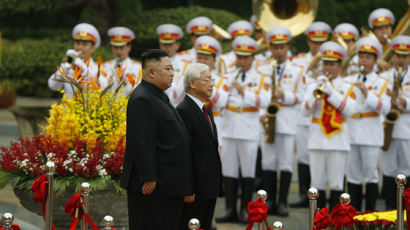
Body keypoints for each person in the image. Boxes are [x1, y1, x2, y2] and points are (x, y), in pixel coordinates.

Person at [120, 49, 195, 230]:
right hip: (154, 187)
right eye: (168, 69)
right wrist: (149, 177)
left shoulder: (157, 94)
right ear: (151, 72)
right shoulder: (143, 99)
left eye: (172, 69)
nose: (172, 73)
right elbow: (142, 142)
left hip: (167, 183)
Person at [215, 36, 270, 224]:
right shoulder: (228, 75)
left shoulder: (262, 77)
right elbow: (219, 100)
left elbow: (264, 101)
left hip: (249, 128)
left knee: (247, 171)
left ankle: (246, 211)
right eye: (240, 57)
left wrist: (243, 92)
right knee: (229, 170)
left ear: (253, 58)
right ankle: (230, 209)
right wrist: (227, 90)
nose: (242, 61)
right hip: (229, 127)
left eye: (246, 57)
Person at [301, 41, 357, 211]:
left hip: (337, 140)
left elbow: (349, 111)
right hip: (317, 138)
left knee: (336, 183)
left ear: (340, 66)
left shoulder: (347, 86)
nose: (328, 67)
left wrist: (331, 93)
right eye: (325, 63)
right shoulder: (313, 85)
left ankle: (335, 221)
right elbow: (304, 112)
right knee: (316, 183)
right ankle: (317, 220)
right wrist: (315, 94)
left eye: (332, 64)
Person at [258, 26, 304, 216]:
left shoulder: (298, 70)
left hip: (286, 120)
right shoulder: (262, 69)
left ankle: (283, 202)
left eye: (282, 47)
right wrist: (262, 111)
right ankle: (268, 203)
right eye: (275, 47)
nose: (278, 51)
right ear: (270, 48)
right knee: (268, 162)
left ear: (288, 47)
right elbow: (258, 93)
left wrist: (284, 95)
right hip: (267, 120)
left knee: (285, 163)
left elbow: (300, 96)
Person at [344, 37, 390, 211]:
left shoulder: (382, 82)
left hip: (370, 133)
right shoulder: (348, 80)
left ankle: (369, 216)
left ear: (375, 60)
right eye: (361, 56)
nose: (363, 60)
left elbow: (385, 107)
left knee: (370, 176)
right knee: (353, 176)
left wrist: (367, 93)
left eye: (368, 57)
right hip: (351, 132)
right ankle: (353, 216)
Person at [290, 21, 331, 208]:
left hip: (324, 115)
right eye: (315, 42)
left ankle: (323, 193)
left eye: (322, 42)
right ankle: (304, 194)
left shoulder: (331, 62)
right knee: (304, 156)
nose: (318, 46)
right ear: (308, 41)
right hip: (303, 113)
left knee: (323, 156)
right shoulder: (298, 61)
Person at [177, 63, 222, 230]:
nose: (212, 84)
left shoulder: (206, 109)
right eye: (207, 80)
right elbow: (184, 153)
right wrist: (187, 187)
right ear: (193, 83)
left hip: (208, 185)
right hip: (195, 189)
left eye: (212, 80)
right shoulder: (184, 111)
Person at [380, 35, 410, 210]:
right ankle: (390, 211)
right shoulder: (383, 77)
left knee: (407, 169)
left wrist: (405, 102)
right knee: (389, 169)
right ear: (392, 56)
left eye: (405, 56)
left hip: (406, 129)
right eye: (398, 55)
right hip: (387, 129)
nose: (400, 60)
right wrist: (388, 103)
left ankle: (406, 211)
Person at [48, 23, 102, 98]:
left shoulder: (97, 69)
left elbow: (99, 89)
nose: (80, 47)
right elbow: (53, 85)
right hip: (67, 108)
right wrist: (65, 66)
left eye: (84, 44)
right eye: (77, 43)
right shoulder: (69, 66)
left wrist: (83, 68)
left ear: (93, 48)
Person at [101, 26, 141, 95]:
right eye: (115, 48)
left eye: (121, 47)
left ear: (129, 47)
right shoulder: (104, 66)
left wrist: (126, 83)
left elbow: (140, 91)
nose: (118, 51)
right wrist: (107, 82)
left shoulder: (138, 67)